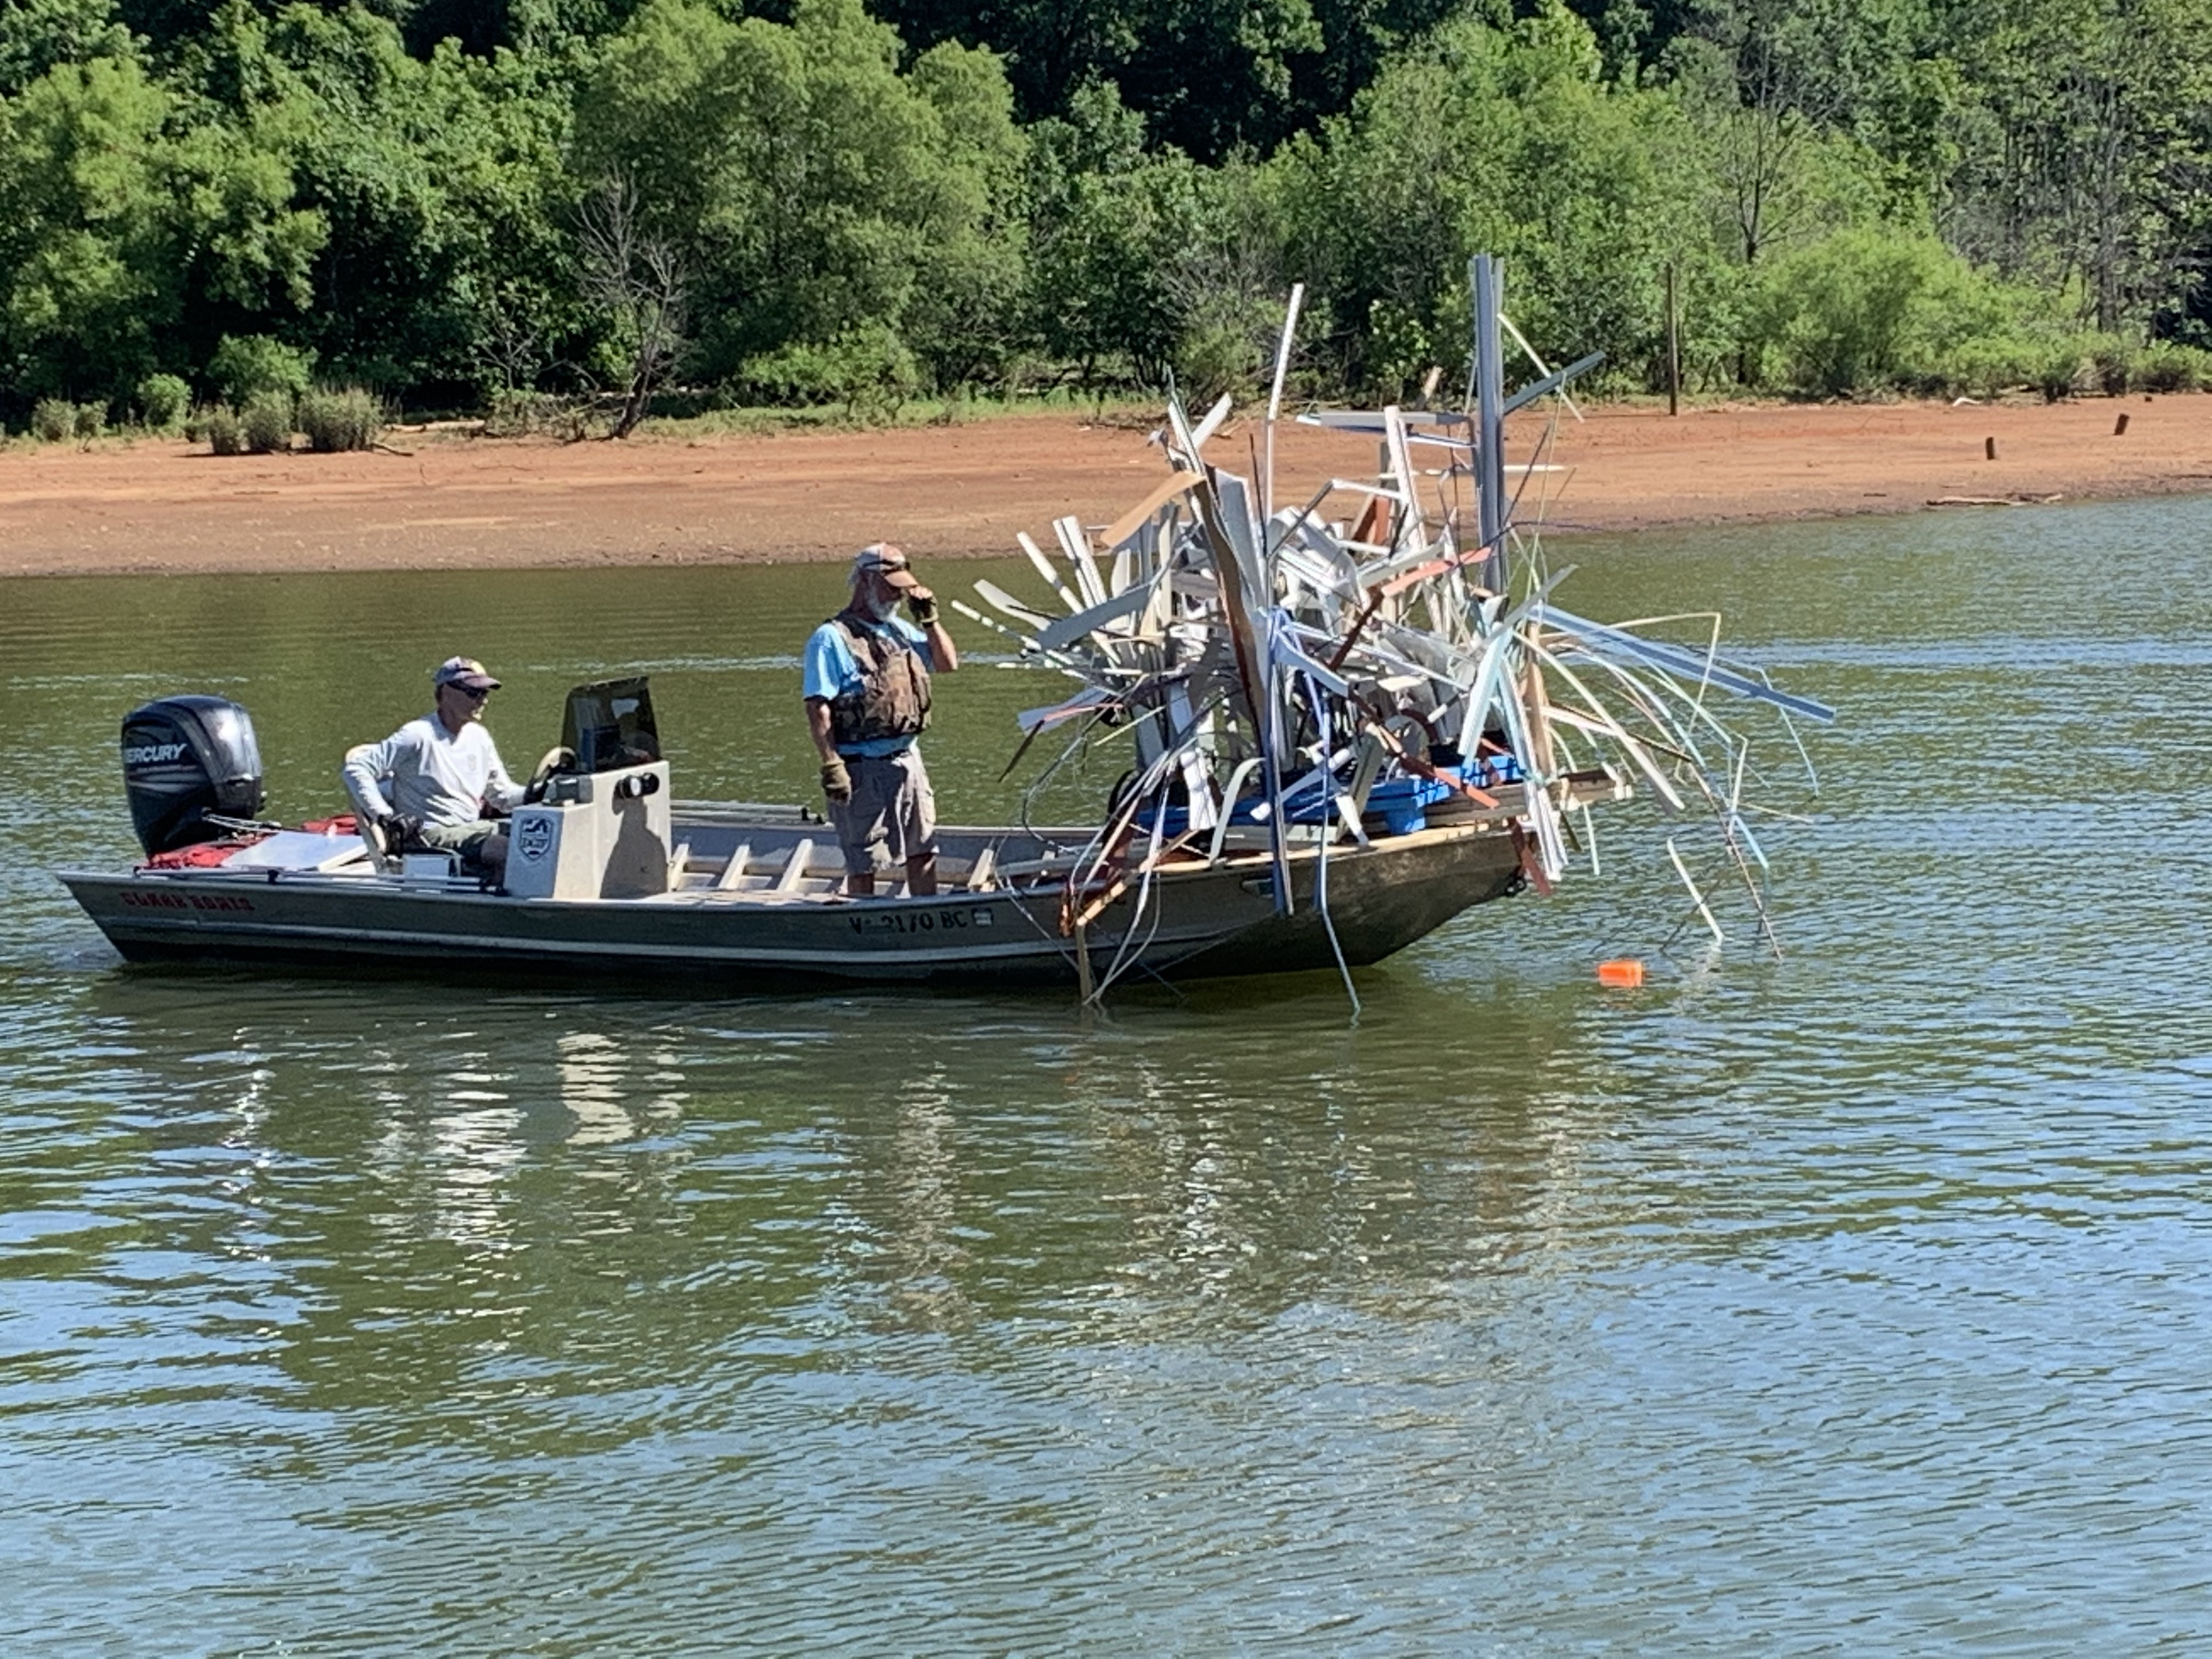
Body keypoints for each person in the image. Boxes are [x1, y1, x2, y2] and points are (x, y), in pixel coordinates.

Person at [803, 543, 960, 896]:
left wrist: (931, 622)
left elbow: (948, 663)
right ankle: (865, 922)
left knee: (923, 850)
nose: (898, 596)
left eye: (903, 589)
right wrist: (832, 765)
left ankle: (925, 915)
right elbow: (817, 706)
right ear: (865, 581)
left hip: (908, 761)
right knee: (864, 860)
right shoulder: (830, 638)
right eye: (891, 587)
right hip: (861, 767)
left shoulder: (901, 629)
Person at [342, 656, 525, 882]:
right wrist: (385, 816)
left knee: (540, 837)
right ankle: (502, 908)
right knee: (507, 849)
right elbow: (356, 769)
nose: (483, 701)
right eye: (474, 693)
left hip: (472, 827)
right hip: (429, 834)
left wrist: (547, 790)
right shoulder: (418, 735)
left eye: (485, 693)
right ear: (447, 693)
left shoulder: (480, 737)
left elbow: (502, 797)